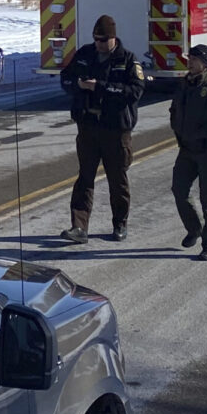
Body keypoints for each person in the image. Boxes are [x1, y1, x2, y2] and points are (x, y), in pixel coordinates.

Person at [59, 15, 145, 243]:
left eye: (102, 40)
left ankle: (119, 224)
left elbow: (135, 91)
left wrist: (101, 88)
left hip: (115, 131)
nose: (98, 44)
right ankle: (79, 227)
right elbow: (65, 79)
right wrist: (78, 85)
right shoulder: (85, 54)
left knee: (117, 180)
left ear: (113, 38)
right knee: (84, 178)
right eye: (96, 39)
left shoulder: (127, 60)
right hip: (88, 127)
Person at [169, 43, 207, 260]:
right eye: (189, 59)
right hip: (186, 150)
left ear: (205, 64)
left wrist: (197, 133)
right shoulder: (184, 85)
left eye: (194, 60)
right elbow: (174, 110)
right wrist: (179, 131)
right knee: (179, 190)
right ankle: (194, 228)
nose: (190, 63)